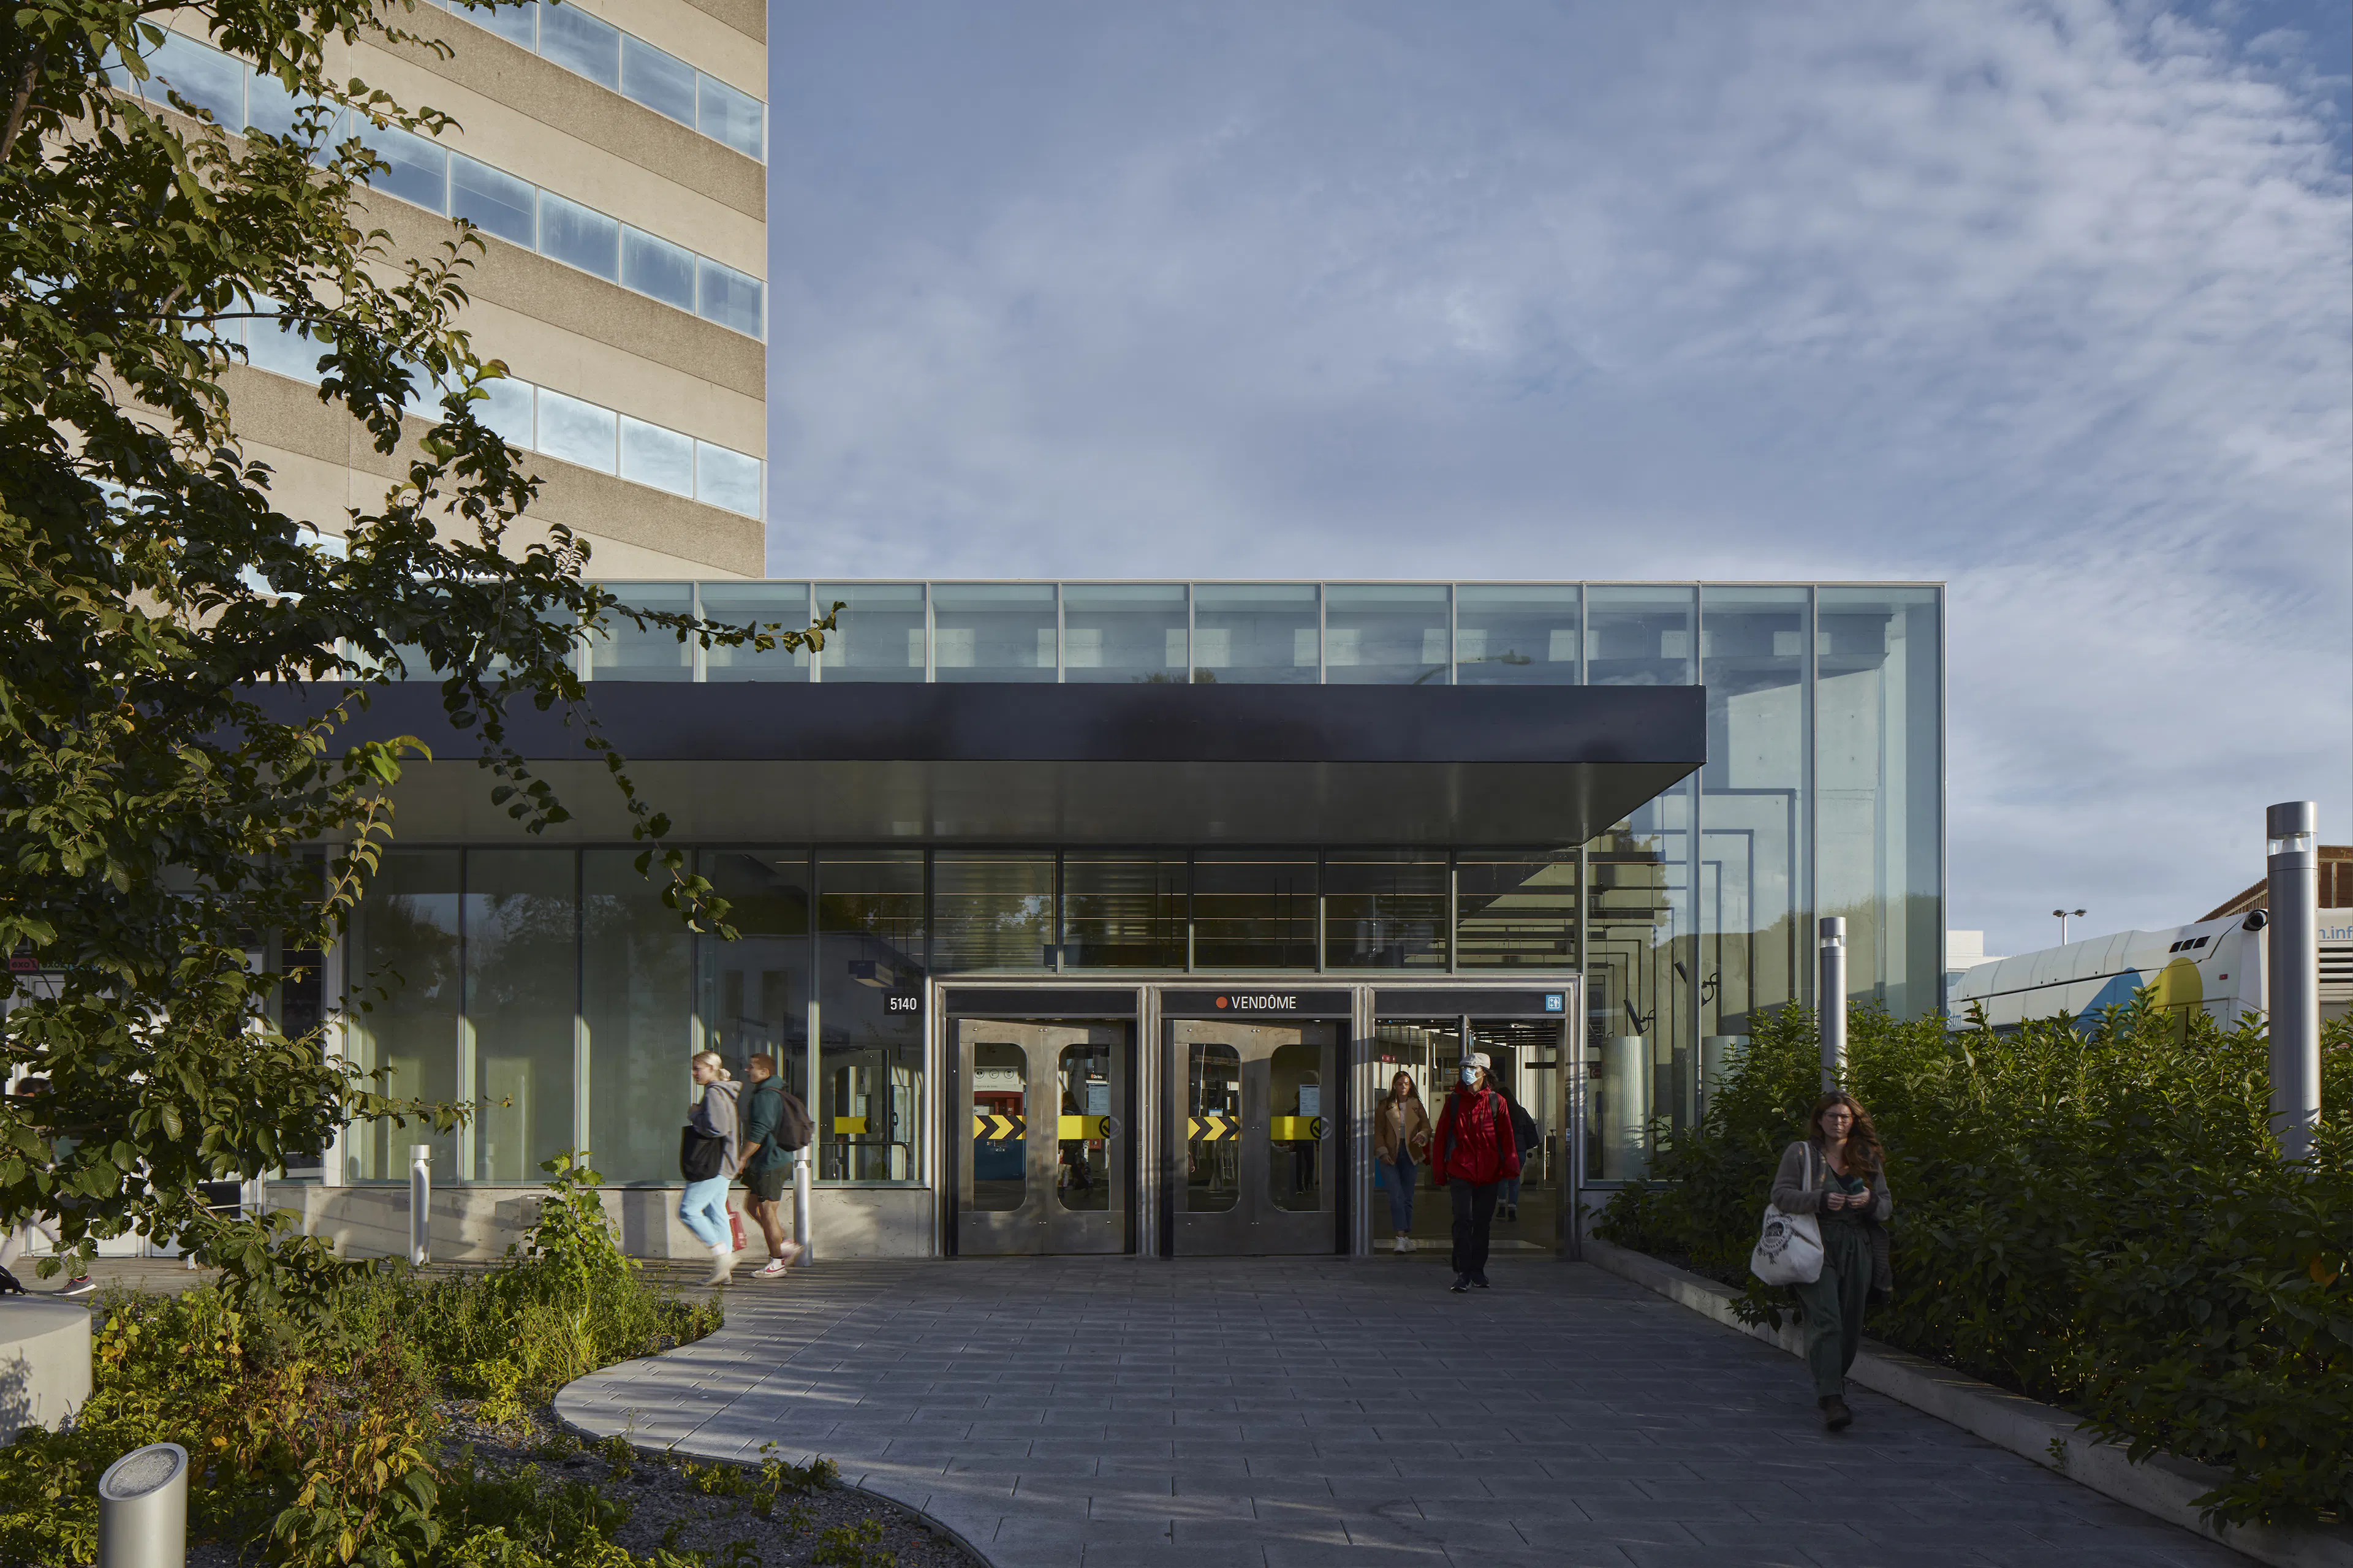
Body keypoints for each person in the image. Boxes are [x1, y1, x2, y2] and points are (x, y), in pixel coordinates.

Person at [1771, 1091, 1895, 1430]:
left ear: (1853, 1121)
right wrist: (1820, 1200)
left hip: (1858, 1246)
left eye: (1844, 1117)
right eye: (1831, 1116)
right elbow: (1780, 1195)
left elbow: (1886, 1207)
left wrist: (1869, 1201)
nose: (1838, 1122)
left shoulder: (1866, 1156)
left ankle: (1831, 1386)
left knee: (1851, 1326)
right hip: (1814, 1244)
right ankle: (1832, 1398)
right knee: (1828, 1320)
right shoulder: (1802, 1153)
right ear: (1820, 1120)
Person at [1430, 1052, 1519, 1292]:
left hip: (1489, 1173)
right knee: (1462, 1220)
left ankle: (1478, 1270)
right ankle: (1463, 1271)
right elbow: (1441, 1138)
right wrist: (1439, 1171)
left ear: (1484, 1072)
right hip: (1461, 1170)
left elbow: (1507, 1138)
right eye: (1464, 1068)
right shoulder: (1455, 1102)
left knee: (1482, 1224)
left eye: (1472, 1068)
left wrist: (1511, 1167)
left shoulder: (1496, 1102)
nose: (1467, 1071)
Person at [0, 1078, 92, 1297]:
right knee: (15, 1232)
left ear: (29, 1097)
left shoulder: (29, 1120)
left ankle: (81, 1277)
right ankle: (1, 1277)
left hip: (34, 1184)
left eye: (18, 1093)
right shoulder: (48, 1117)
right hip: (37, 1182)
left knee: (53, 1231)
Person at [735, 1053, 806, 1279]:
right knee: (752, 1206)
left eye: (752, 1067)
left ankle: (777, 1262)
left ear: (765, 1072)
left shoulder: (766, 1096)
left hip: (771, 1161)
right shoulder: (767, 1093)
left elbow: (759, 1131)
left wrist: (742, 1158)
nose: (747, 1070)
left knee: (767, 1211)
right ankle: (785, 1244)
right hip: (766, 1160)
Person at [680, 1052, 743, 1286]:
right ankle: (723, 1272)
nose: (694, 1073)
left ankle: (722, 1256)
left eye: (698, 1068)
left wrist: (696, 1115)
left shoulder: (715, 1093)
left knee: (689, 1211)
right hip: (725, 1162)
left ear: (711, 1068)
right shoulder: (722, 1091)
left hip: (714, 1164)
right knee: (716, 1213)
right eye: (694, 1068)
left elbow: (718, 1128)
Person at [1372, 1071, 1431, 1254]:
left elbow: (1427, 1126)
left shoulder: (1416, 1105)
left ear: (1410, 1086)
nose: (1403, 1087)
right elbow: (1378, 1130)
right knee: (1396, 1195)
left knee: (1407, 1197)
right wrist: (1381, 1151)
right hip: (1390, 1154)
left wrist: (1422, 1136)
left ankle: (1405, 1237)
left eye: (1406, 1084)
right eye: (1399, 1084)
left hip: (1410, 1152)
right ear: (1394, 1086)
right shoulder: (1385, 1105)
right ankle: (1400, 1237)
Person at [1491, 1076, 1540, 1221]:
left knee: (1501, 1179)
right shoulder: (1521, 1111)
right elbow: (1530, 1128)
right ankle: (1512, 1209)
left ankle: (1501, 1208)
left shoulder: (1498, 1112)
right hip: (1519, 1150)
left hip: (1502, 1150)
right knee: (1515, 1180)